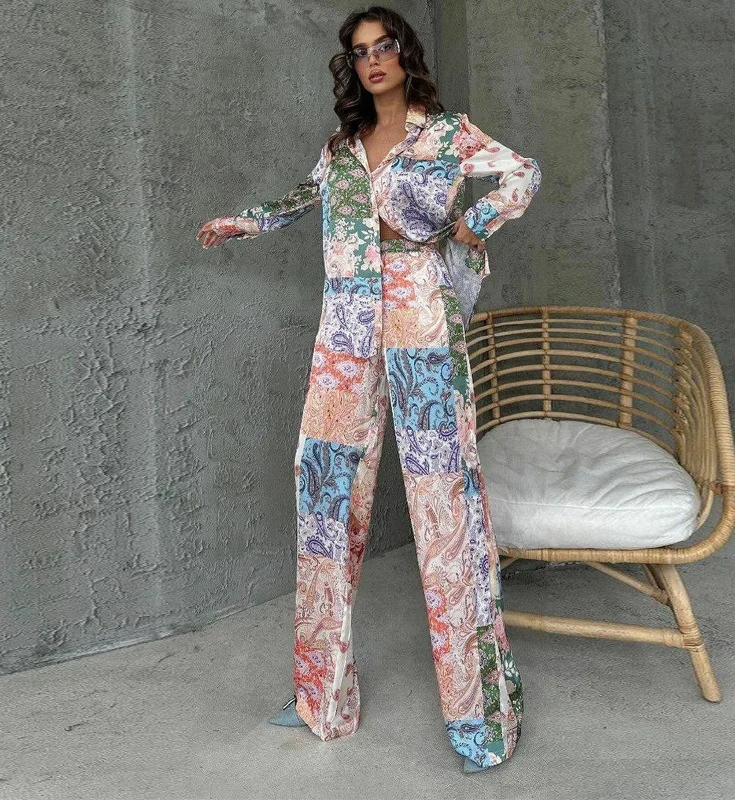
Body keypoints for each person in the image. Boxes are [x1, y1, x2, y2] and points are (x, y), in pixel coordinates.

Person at [196, 4, 542, 773]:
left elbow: (524, 170)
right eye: (360, 51)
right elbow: (302, 197)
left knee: (444, 502)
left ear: (404, 55)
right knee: (324, 490)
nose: (374, 58)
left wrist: (479, 217)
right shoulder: (342, 147)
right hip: (347, 321)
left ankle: (481, 717)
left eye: (385, 45)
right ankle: (320, 695)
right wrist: (243, 223)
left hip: (422, 314)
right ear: (351, 66)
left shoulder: (445, 134)